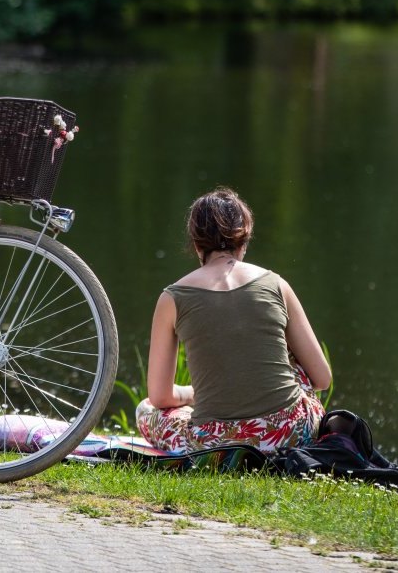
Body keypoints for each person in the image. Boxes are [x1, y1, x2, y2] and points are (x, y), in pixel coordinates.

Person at [137, 187, 332, 453]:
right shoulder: (275, 284)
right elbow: (322, 378)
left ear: (196, 244)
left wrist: (192, 394)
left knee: (145, 409)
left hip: (215, 444)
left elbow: (159, 397)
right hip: (291, 433)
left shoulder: (172, 298)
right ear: (244, 242)